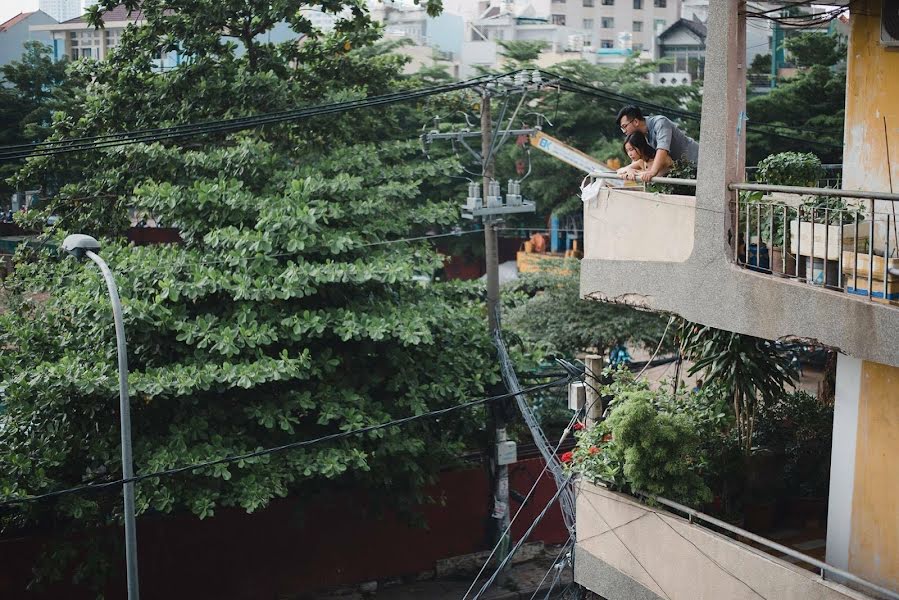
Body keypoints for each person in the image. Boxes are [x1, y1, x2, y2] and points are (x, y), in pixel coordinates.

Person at [617, 105, 699, 182]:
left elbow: (662, 149)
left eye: (625, 126)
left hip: (698, 161)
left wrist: (652, 172)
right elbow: (640, 157)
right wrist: (629, 169)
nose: (624, 131)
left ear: (635, 122)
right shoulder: (642, 135)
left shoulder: (660, 123)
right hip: (683, 169)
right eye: (622, 128)